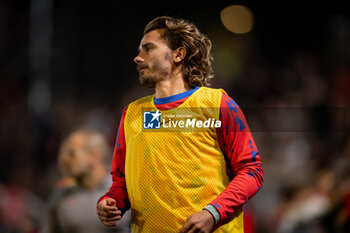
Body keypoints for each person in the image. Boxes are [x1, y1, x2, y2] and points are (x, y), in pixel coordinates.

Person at [96, 16, 263, 232]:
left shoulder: (217, 104)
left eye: (148, 49)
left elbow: (251, 170)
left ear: (178, 54)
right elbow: (122, 183)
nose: (138, 58)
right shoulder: (132, 115)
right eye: (139, 51)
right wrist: (111, 202)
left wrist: (213, 213)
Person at [40, 128, 131, 233]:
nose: (65, 160)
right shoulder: (59, 197)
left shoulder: (125, 193)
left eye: (72, 154)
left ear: (94, 157)